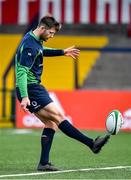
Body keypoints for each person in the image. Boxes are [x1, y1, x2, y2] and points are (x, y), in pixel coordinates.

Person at [15, 16, 110, 171]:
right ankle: (91, 144)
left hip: (34, 87)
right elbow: (21, 72)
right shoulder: (29, 46)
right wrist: (25, 97)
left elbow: (41, 51)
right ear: (43, 28)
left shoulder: (33, 39)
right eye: (51, 33)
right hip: (31, 89)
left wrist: (62, 52)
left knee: (51, 123)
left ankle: (44, 163)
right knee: (59, 116)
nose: (52, 36)